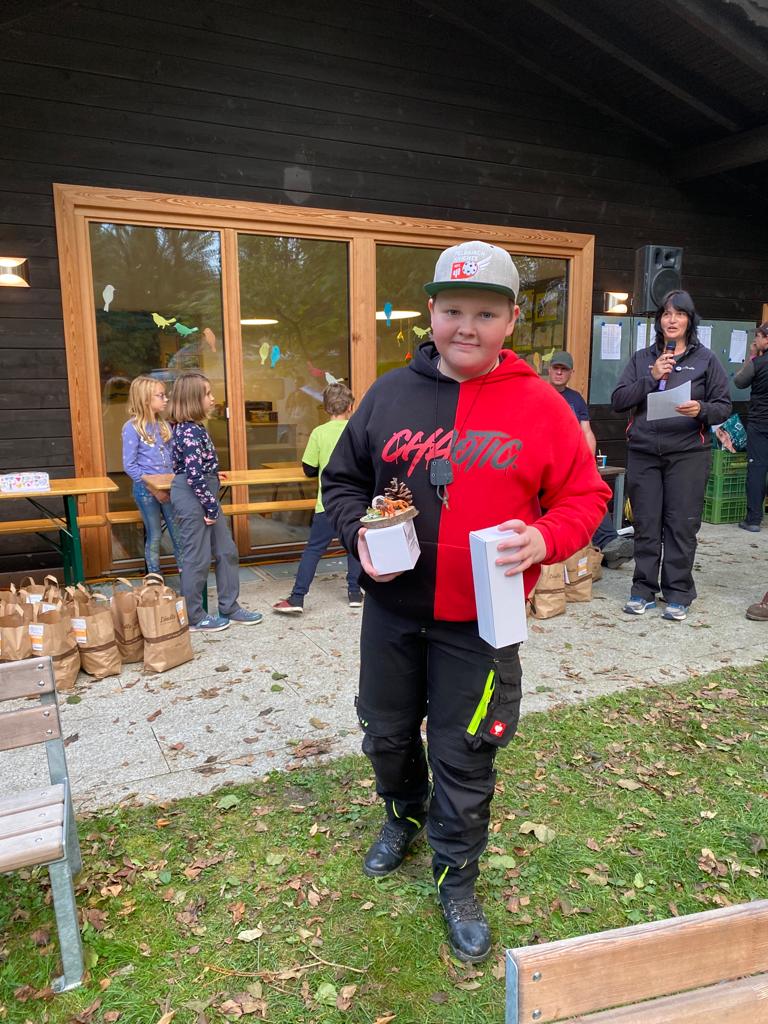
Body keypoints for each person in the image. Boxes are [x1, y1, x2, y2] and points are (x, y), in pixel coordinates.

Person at [322, 240, 610, 963]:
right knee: (386, 732)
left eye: (485, 314)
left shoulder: (541, 405)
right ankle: (402, 816)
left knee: (466, 752)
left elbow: (586, 497)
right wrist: (357, 533)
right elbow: (343, 480)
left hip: (482, 623)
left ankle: (457, 879)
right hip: (393, 612)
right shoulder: (389, 394)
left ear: (510, 320)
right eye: (453, 311)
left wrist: (544, 539)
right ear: (431, 312)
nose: (467, 328)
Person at [611, 290, 731, 621]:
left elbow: (723, 406)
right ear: (659, 321)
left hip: (688, 453)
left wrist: (700, 409)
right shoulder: (642, 359)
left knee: (681, 524)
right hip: (644, 452)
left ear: (690, 320)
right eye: (666, 314)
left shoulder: (705, 359)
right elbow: (619, 400)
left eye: (679, 314)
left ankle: (678, 593)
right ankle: (643, 590)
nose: (672, 320)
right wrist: (651, 378)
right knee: (646, 523)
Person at [168, 371, 263, 632]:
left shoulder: (195, 428)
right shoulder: (188, 430)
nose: (212, 398)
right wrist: (210, 507)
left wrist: (212, 473)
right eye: (207, 394)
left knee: (226, 550)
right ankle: (195, 616)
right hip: (194, 496)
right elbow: (192, 475)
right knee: (197, 558)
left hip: (202, 491)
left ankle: (229, 607)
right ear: (193, 399)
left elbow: (196, 467)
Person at [273, 383, 363, 614]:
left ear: (325, 408)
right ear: (350, 407)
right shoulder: (358, 430)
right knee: (354, 546)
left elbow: (309, 469)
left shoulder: (319, 433)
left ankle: (297, 597)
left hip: (328, 504)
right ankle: (355, 592)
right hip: (355, 503)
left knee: (314, 549)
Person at [547, 352, 633, 568]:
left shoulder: (576, 399)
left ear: (571, 373)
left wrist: (589, 464)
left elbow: (586, 432)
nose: (559, 373)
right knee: (575, 494)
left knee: (591, 491)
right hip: (545, 466)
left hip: (570, 465)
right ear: (549, 370)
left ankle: (610, 545)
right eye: (556, 368)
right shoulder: (538, 393)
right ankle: (607, 544)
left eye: (564, 369)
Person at [121, 375, 183, 574]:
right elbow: (129, 465)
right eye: (160, 395)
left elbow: (173, 458)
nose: (166, 399)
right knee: (155, 534)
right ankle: (155, 577)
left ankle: (187, 574)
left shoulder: (164, 425)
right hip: (146, 491)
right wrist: (154, 490)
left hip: (170, 489)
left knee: (178, 534)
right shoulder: (131, 428)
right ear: (145, 399)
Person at [733, 322, 768, 532]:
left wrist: (752, 356)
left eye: (758, 337)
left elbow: (739, 381)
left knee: (757, 469)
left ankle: (753, 520)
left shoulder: (759, 363)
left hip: (761, 423)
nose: (755, 340)